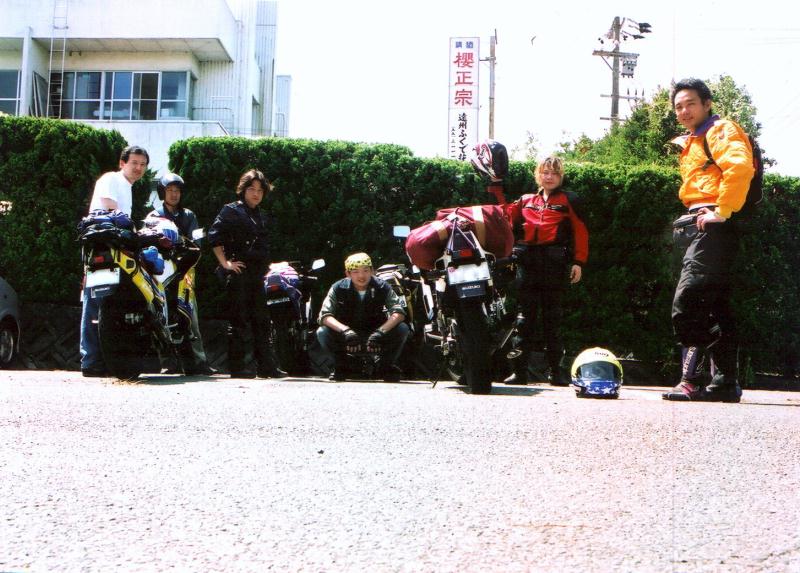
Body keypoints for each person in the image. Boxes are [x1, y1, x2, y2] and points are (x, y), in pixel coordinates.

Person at [662, 78, 754, 403]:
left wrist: (723, 211)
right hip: (704, 226)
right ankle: (725, 382)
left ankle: (691, 381)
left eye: (690, 103)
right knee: (715, 306)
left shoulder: (720, 130)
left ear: (707, 104)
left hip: (714, 226)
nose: (684, 111)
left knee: (687, 302)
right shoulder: (694, 140)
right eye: (678, 106)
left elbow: (740, 167)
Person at [489, 156, 589, 386]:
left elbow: (581, 231)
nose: (549, 177)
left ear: (561, 176)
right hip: (528, 264)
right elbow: (504, 215)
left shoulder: (570, 199)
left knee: (553, 320)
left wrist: (578, 262)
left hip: (554, 265)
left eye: (554, 173)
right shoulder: (526, 200)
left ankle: (556, 372)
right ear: (538, 175)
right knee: (524, 320)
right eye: (545, 172)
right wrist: (495, 186)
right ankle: (519, 372)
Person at [207, 168, 286, 379]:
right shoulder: (231, 210)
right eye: (252, 189)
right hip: (239, 272)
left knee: (262, 320)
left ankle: (266, 366)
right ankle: (237, 367)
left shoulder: (261, 215)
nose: (256, 194)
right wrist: (225, 263)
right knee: (239, 320)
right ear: (243, 189)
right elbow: (214, 236)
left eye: (260, 190)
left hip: (258, 273)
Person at [80, 145, 149, 377]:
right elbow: (110, 207)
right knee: (95, 302)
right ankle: (90, 361)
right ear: (122, 163)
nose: (138, 168)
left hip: (115, 247)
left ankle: (104, 361)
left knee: (109, 305)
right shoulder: (111, 178)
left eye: (142, 164)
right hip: (101, 245)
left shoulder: (127, 187)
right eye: (134, 163)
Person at [146, 173, 216, 376]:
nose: (174, 194)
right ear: (162, 192)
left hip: (185, 268)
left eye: (177, 190)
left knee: (190, 313)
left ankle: (199, 361)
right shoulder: (153, 215)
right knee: (160, 313)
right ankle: (168, 362)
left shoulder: (189, 215)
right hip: (160, 270)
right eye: (169, 190)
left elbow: (196, 242)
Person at [316, 252, 410, 382]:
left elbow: (398, 313)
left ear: (372, 271)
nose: (361, 276)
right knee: (322, 332)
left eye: (365, 270)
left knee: (402, 328)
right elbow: (325, 316)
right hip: (346, 335)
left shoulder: (383, 286)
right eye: (355, 272)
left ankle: (385, 366)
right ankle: (341, 366)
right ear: (348, 273)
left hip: (376, 334)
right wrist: (346, 331)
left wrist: (380, 332)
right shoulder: (338, 288)